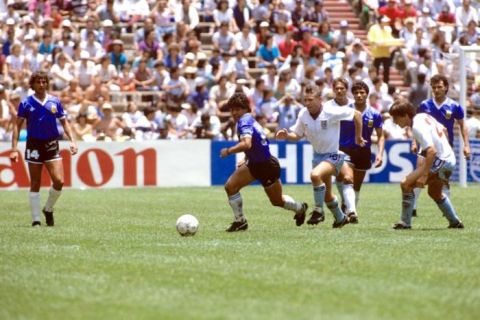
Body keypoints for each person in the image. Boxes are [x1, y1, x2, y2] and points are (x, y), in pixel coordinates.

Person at [276, 84, 365, 228]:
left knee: (315, 175)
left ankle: (318, 210)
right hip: (318, 156)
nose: (307, 103)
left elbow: (357, 114)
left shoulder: (330, 111)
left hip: (333, 156)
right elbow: (297, 135)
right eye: (305, 100)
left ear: (319, 99)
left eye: (310, 99)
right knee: (327, 195)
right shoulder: (303, 113)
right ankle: (340, 218)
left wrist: (358, 137)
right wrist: (287, 135)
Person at [220, 92, 308, 232]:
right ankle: (240, 221)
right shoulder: (249, 119)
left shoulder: (244, 121)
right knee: (230, 187)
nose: (234, 112)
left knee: (277, 201)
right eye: (232, 109)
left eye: (238, 109)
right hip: (254, 164)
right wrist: (247, 157)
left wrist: (228, 151)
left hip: (267, 166)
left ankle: (299, 208)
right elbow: (260, 142)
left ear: (245, 109)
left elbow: (247, 144)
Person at [10, 71, 78, 227]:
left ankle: (48, 208)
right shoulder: (26, 103)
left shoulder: (54, 101)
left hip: (51, 144)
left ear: (47, 83)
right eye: (38, 82)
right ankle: (35, 220)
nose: (41, 84)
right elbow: (17, 126)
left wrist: (72, 140)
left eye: (44, 81)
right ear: (32, 84)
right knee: (35, 182)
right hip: (33, 145)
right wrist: (14, 149)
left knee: (59, 181)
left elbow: (64, 122)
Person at [389, 102, 464, 229]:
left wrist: (424, 175)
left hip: (441, 160)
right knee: (435, 193)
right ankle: (455, 222)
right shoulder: (423, 116)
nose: (395, 122)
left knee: (406, 184)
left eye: (396, 118)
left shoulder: (417, 127)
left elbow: (431, 151)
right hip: (449, 159)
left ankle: (405, 223)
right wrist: (444, 148)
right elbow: (444, 129)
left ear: (406, 116)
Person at [411, 74, 471, 217]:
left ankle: (447, 208)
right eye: (434, 87)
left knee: (444, 178)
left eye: (439, 87)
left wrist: (466, 145)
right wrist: (414, 141)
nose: (436, 90)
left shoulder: (454, 106)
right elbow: (417, 124)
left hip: (445, 147)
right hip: (427, 144)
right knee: (420, 171)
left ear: (446, 88)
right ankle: (413, 207)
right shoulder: (425, 105)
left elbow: (463, 126)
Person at [339, 81, 385, 221]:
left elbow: (381, 135)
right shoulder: (345, 110)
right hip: (345, 150)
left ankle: (349, 209)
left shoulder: (374, 114)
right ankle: (352, 211)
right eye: (356, 93)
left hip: (363, 152)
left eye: (362, 93)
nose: (359, 95)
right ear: (352, 95)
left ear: (367, 94)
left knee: (357, 186)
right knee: (348, 179)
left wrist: (380, 153)